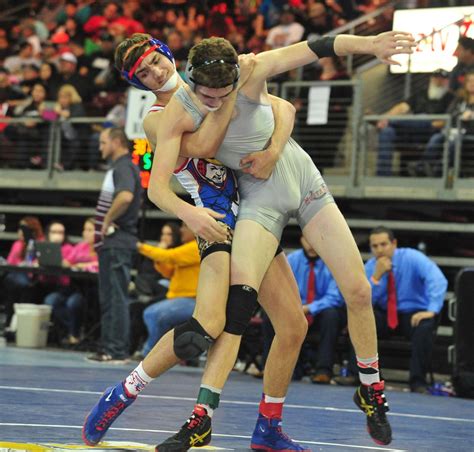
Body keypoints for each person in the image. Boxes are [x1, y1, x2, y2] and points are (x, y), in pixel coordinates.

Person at [148, 32, 415, 446]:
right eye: (208, 93)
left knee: (359, 291)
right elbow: (178, 165)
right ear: (190, 78)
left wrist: (373, 45)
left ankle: (370, 388)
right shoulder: (176, 114)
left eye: (224, 90)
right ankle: (201, 417)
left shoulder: (250, 69)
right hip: (259, 200)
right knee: (240, 304)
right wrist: (189, 210)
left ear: (235, 74)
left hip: (302, 181)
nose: (216, 99)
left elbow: (315, 48)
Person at [83, 35, 308, 452]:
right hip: (215, 218)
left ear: (167, 54)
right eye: (144, 74)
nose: (155, 73)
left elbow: (285, 107)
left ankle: (269, 428)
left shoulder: (213, 77)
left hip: (257, 215)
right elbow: (192, 157)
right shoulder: (157, 116)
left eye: (154, 62)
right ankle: (123, 394)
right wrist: (233, 89)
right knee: (206, 325)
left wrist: (274, 146)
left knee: (293, 325)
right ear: (137, 84)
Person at [335, 226, 448, 394]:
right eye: (375, 246)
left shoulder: (412, 257)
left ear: (394, 243)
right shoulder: (369, 267)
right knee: (360, 320)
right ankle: (357, 374)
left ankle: (418, 382)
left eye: (384, 244)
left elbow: (438, 280)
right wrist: (376, 277)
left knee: (425, 326)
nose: (380, 250)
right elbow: (362, 302)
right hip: (384, 314)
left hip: (412, 314)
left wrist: (431, 310)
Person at [86, 127, 142, 363]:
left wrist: (107, 220)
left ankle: (115, 349)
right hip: (113, 243)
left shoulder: (123, 167)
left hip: (118, 241)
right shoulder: (119, 167)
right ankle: (109, 347)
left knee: (116, 296)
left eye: (103, 142)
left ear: (117, 142)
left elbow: (125, 196)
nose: (100, 148)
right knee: (109, 296)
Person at [262, 235, 345, 384]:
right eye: (308, 240)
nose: (312, 245)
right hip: (292, 308)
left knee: (331, 315)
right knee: (269, 314)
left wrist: (309, 308)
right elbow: (280, 288)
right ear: (301, 240)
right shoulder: (291, 260)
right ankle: (272, 367)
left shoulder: (331, 262)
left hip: (318, 312)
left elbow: (334, 296)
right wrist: (293, 307)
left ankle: (323, 370)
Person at [376, 69, 454, 176]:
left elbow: (447, 120)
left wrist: (429, 123)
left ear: (447, 81)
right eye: (436, 78)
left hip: (432, 131)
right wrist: (386, 116)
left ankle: (389, 121)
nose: (439, 81)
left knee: (423, 118)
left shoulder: (451, 98)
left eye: (442, 79)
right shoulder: (420, 94)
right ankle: (382, 176)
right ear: (431, 79)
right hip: (411, 131)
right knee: (387, 131)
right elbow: (402, 107)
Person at [139, 222, 200, 357]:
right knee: (150, 312)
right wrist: (159, 259)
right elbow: (168, 273)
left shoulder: (196, 247)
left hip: (193, 301)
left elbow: (170, 256)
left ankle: (148, 354)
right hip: (180, 298)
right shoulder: (186, 248)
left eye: (185, 227)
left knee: (153, 314)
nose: (181, 231)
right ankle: (160, 354)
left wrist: (140, 246)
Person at [44, 217, 98, 346]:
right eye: (85, 229)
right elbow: (68, 262)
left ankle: (74, 334)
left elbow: (99, 265)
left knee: (73, 302)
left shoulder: (102, 248)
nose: (86, 233)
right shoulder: (80, 246)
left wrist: (80, 265)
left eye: (90, 230)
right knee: (51, 300)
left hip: (90, 289)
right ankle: (71, 329)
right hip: (71, 287)